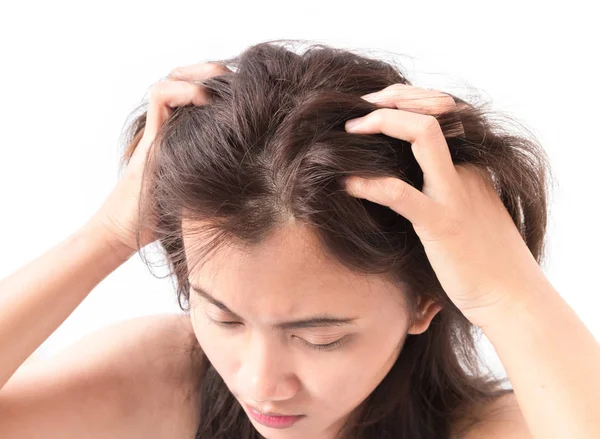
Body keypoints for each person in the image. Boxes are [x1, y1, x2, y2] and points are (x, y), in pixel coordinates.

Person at [0, 39, 598, 439]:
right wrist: (104, 237)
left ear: (426, 300)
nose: (261, 384)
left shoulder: (501, 428)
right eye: (225, 320)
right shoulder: (166, 381)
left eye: (320, 338)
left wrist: (508, 292)